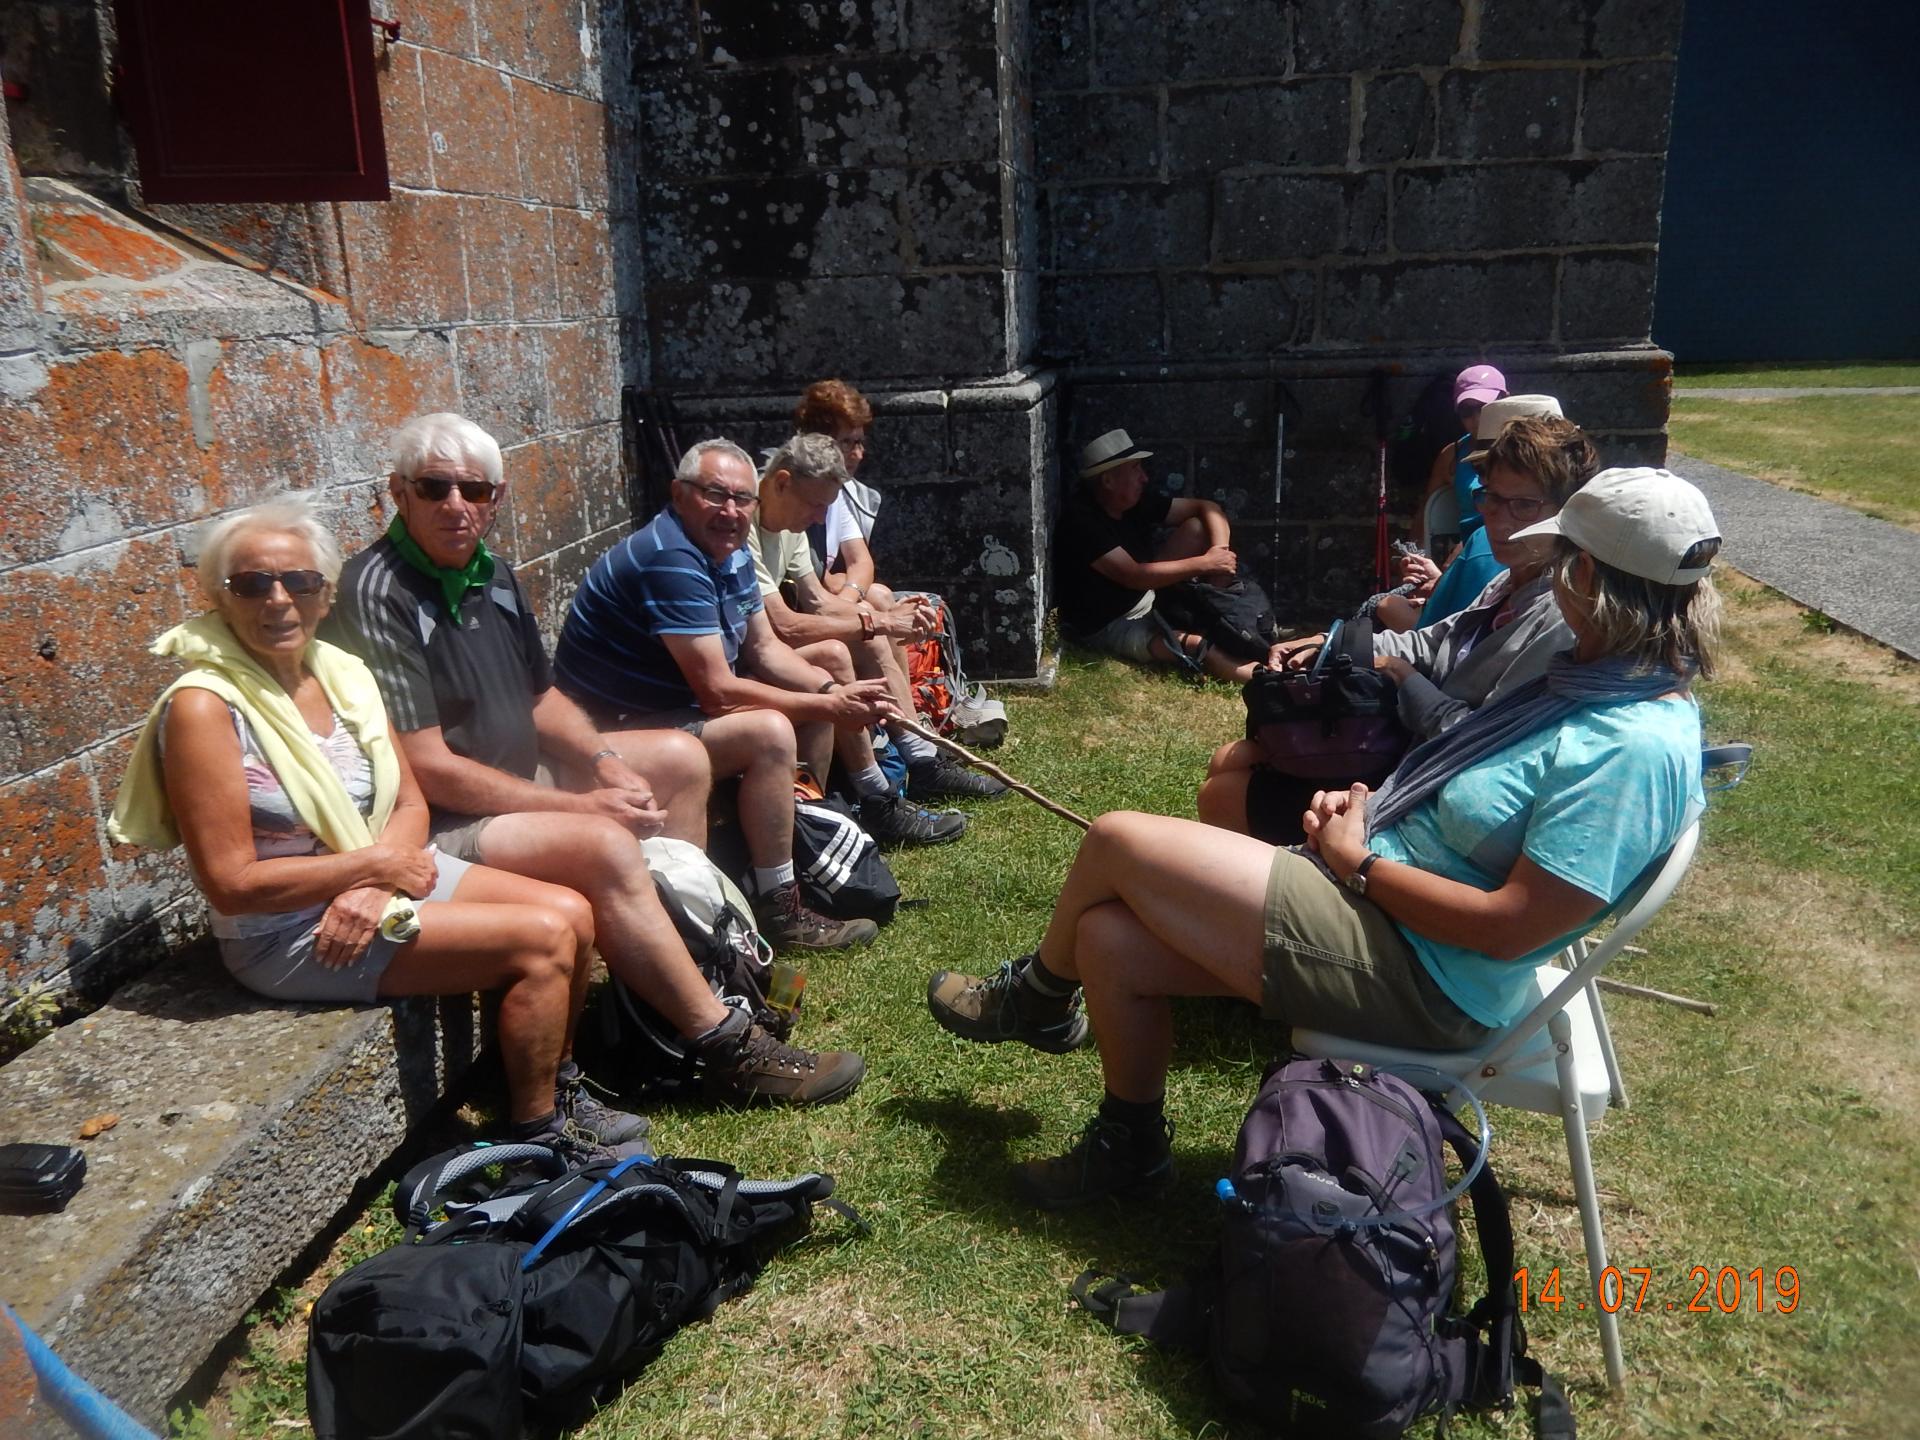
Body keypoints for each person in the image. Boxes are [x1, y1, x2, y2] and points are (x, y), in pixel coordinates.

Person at [927, 467, 1720, 1209]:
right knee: (1106, 935)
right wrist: (1369, 813)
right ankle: (1127, 1149)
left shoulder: (1629, 745)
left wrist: (1361, 863)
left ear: (1586, 578)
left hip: (1432, 981)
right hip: (1396, 920)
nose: (1551, 572)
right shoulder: (1598, 684)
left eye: (1563, 558)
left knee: (1117, 839)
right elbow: (1478, 804)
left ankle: (1034, 998)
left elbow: (1515, 928)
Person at [327, 414, 866, 1104]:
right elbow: (428, 767)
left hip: (518, 774)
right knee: (605, 844)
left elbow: (540, 698)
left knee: (677, 760)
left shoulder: (489, 572)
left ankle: (682, 980)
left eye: (475, 490)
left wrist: (607, 762)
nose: (456, 506)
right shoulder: (380, 590)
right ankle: (721, 1043)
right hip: (443, 818)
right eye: (435, 488)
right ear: (398, 494)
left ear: (498, 497)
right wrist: (584, 804)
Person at [107, 496, 648, 1159]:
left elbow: (409, 803)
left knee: (575, 909)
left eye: (298, 581)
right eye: (252, 583)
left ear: (325, 594)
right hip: (289, 928)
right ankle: (536, 1139)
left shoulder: (342, 677)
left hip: (375, 879)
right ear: (220, 597)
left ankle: (558, 1086)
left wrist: (374, 878)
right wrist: (370, 871)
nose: (277, 600)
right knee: (540, 940)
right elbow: (231, 883)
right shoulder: (205, 708)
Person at [554, 437, 968, 849]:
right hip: (611, 730)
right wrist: (833, 694)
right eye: (716, 495)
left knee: (823, 672)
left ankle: (835, 817)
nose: (730, 511)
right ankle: (781, 892)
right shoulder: (672, 559)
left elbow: (767, 647)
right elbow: (718, 690)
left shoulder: (728, 549)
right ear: (679, 494)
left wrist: (833, 691)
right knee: (770, 731)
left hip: (675, 701)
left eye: (741, 499)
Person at [1203, 414, 1601, 841]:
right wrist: (1330, 640)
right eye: (1490, 496)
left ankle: (1270, 884)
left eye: (1523, 505)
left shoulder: (1559, 618)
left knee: (1223, 791)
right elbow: (1432, 640)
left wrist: (1403, 676)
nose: (1497, 518)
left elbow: (1482, 742)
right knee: (1234, 756)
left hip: (1429, 791)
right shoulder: (1513, 575)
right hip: (1410, 749)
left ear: (1568, 511)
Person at [747, 433, 1003, 804]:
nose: (821, 518)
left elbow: (817, 600)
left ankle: (920, 755)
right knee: (840, 649)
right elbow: (783, 625)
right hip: (751, 658)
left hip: (769, 649)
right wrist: (879, 622)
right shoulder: (745, 528)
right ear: (782, 482)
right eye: (816, 505)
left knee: (873, 617)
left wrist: (885, 616)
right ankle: (877, 792)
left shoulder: (787, 522)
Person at [1055, 429, 1271, 683]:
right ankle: (1266, 679)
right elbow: (1133, 575)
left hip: (1146, 595)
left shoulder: (1131, 502)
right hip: (1110, 624)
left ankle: (1237, 626)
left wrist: (1218, 555)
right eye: (1135, 469)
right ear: (1108, 481)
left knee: (1197, 528)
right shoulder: (1082, 522)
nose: (1144, 478)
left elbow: (1208, 508)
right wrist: (1205, 563)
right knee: (1197, 644)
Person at [1399, 395, 1565, 631]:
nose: (1500, 524)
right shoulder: (1498, 578)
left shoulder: (1483, 546)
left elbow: (1441, 636)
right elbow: (1444, 636)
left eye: (1525, 504)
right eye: (1490, 496)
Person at [1376, 364, 1510, 631]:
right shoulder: (1452, 455)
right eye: (1466, 410)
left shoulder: (1524, 456)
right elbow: (1427, 509)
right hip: (1470, 557)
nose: (1476, 417)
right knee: (1386, 605)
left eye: (1485, 407)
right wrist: (1413, 559)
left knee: (1385, 608)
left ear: (1504, 402)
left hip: (1497, 553)